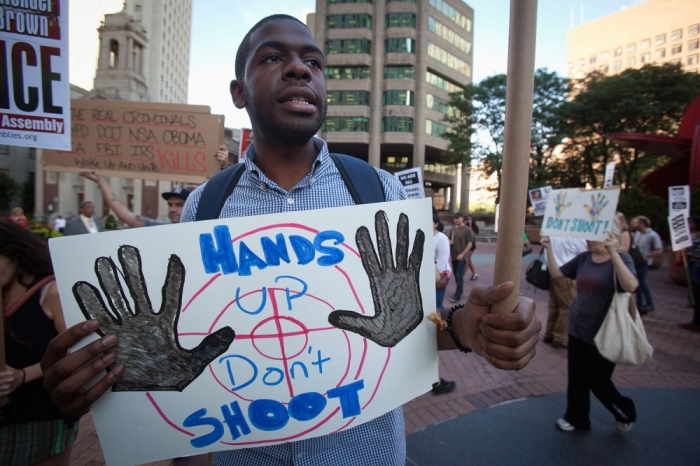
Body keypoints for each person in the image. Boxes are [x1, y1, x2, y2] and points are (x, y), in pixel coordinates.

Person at [39, 15, 541, 465]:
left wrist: (461, 328)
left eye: (314, 62)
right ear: (239, 92)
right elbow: (194, 334)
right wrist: (128, 378)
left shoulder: (377, 191)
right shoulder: (204, 205)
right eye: (274, 57)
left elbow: (411, 330)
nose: (300, 69)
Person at [541, 233, 638, 433]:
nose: (589, 240)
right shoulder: (584, 257)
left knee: (597, 380)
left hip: (605, 331)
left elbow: (631, 286)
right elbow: (557, 273)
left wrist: (613, 252)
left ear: (609, 237)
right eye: (588, 237)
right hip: (577, 327)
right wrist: (549, 248)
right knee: (576, 377)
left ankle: (625, 410)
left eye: (595, 237)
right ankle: (577, 418)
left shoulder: (621, 258)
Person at [0, 221, 77, 466]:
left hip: (41, 415)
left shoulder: (51, 291)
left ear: (14, 252)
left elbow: (76, 351)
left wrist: (23, 375)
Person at [79, 170, 191, 227]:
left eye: (179, 205)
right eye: (170, 205)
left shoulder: (201, 228)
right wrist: (100, 181)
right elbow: (124, 214)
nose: (172, 209)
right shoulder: (160, 228)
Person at [542, 237, 588, 349]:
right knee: (567, 305)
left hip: (552, 268)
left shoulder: (554, 233)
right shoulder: (575, 237)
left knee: (555, 303)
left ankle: (550, 333)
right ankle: (560, 337)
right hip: (565, 272)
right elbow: (585, 252)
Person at [631, 215, 662, 312]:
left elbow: (659, 250)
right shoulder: (638, 233)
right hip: (636, 260)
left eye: (636, 223)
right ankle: (639, 302)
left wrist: (646, 256)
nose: (634, 225)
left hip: (644, 261)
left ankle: (650, 303)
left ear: (642, 223)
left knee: (642, 282)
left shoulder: (653, 235)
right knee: (638, 282)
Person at [679, 216, 700, 332]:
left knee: (697, 289)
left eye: (691, 222)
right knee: (693, 290)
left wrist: (691, 256)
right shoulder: (690, 233)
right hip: (691, 263)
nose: (689, 224)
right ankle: (695, 320)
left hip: (697, 264)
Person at [448, 212, 473, 303]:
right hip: (454, 256)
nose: (456, 220)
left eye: (458, 218)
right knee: (456, 276)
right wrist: (450, 242)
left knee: (459, 276)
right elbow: (450, 240)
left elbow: (470, 243)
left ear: (462, 218)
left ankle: (458, 294)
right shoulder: (453, 229)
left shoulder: (467, 230)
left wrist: (463, 254)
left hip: (461, 257)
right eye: (455, 218)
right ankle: (459, 291)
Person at [433, 214, 451, 310]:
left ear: (436, 224)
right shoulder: (425, 235)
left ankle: (442, 323)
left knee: (437, 303)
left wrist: (433, 275)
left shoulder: (441, 237)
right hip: (429, 275)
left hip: (439, 275)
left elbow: (443, 259)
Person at [465, 214, 479, 280]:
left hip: (471, 245)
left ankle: (462, 275)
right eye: (468, 219)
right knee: (469, 260)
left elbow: (473, 235)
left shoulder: (475, 227)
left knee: (467, 259)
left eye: (470, 219)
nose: (469, 220)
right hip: (465, 245)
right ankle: (474, 274)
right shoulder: (464, 226)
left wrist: (470, 226)